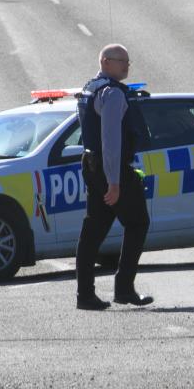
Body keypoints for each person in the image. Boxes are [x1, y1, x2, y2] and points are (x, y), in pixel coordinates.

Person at [75, 44, 152, 310]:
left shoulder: (90, 88)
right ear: (106, 62)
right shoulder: (113, 94)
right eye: (122, 61)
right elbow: (111, 140)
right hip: (111, 168)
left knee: (92, 231)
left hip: (91, 164)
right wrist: (115, 182)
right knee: (138, 222)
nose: (127, 66)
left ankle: (85, 295)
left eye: (128, 62)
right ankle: (124, 288)